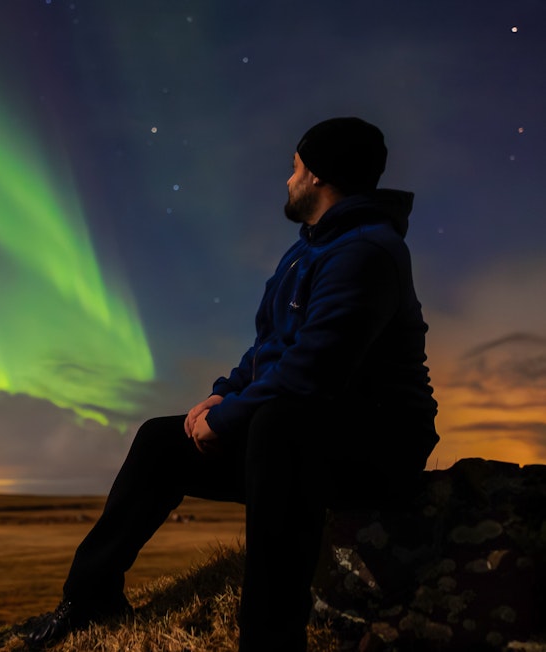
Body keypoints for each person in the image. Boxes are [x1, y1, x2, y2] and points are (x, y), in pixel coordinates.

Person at [24, 117, 439, 651]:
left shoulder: (367, 252)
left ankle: (269, 638)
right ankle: (89, 598)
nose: (287, 181)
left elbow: (315, 369)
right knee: (160, 440)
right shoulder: (308, 249)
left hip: (376, 446)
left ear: (318, 175)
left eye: (294, 168)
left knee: (278, 423)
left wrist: (228, 418)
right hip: (302, 431)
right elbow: (271, 348)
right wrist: (224, 392)